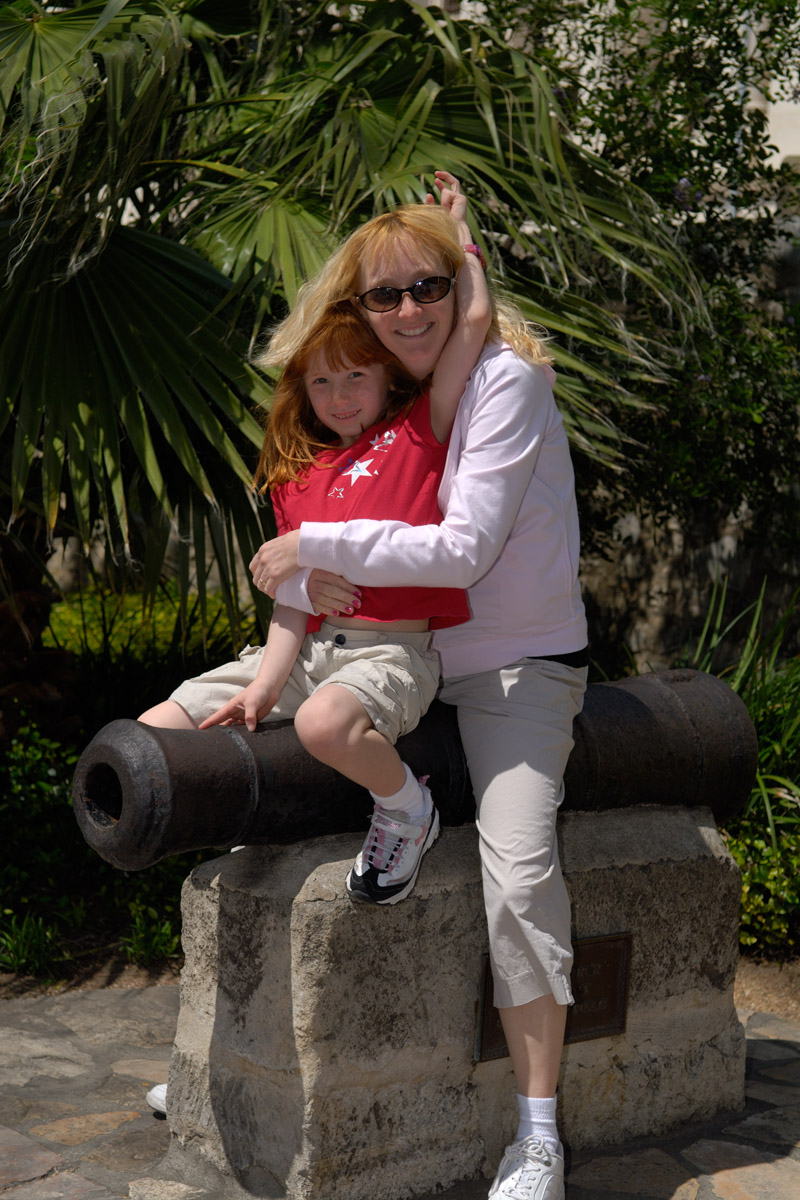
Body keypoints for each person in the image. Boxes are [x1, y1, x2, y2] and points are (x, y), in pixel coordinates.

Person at [249, 181, 589, 1200]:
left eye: (427, 288)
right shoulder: (393, 397)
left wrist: (311, 546)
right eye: (384, 294)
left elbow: (462, 549)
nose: (406, 311)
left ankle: (538, 1137)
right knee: (251, 783)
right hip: (403, 651)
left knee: (517, 880)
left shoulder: (503, 386)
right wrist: (306, 578)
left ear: (458, 289)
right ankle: (250, 1059)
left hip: (512, 668)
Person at [139, 171, 490, 907]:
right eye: (322, 383)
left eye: (355, 376)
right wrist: (263, 688)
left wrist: (459, 238)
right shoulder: (297, 475)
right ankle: (259, 807)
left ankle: (409, 809)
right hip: (307, 652)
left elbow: (472, 324)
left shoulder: (416, 431)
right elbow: (293, 604)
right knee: (154, 733)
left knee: (326, 723)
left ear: (388, 378)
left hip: (390, 654)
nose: (339, 396)